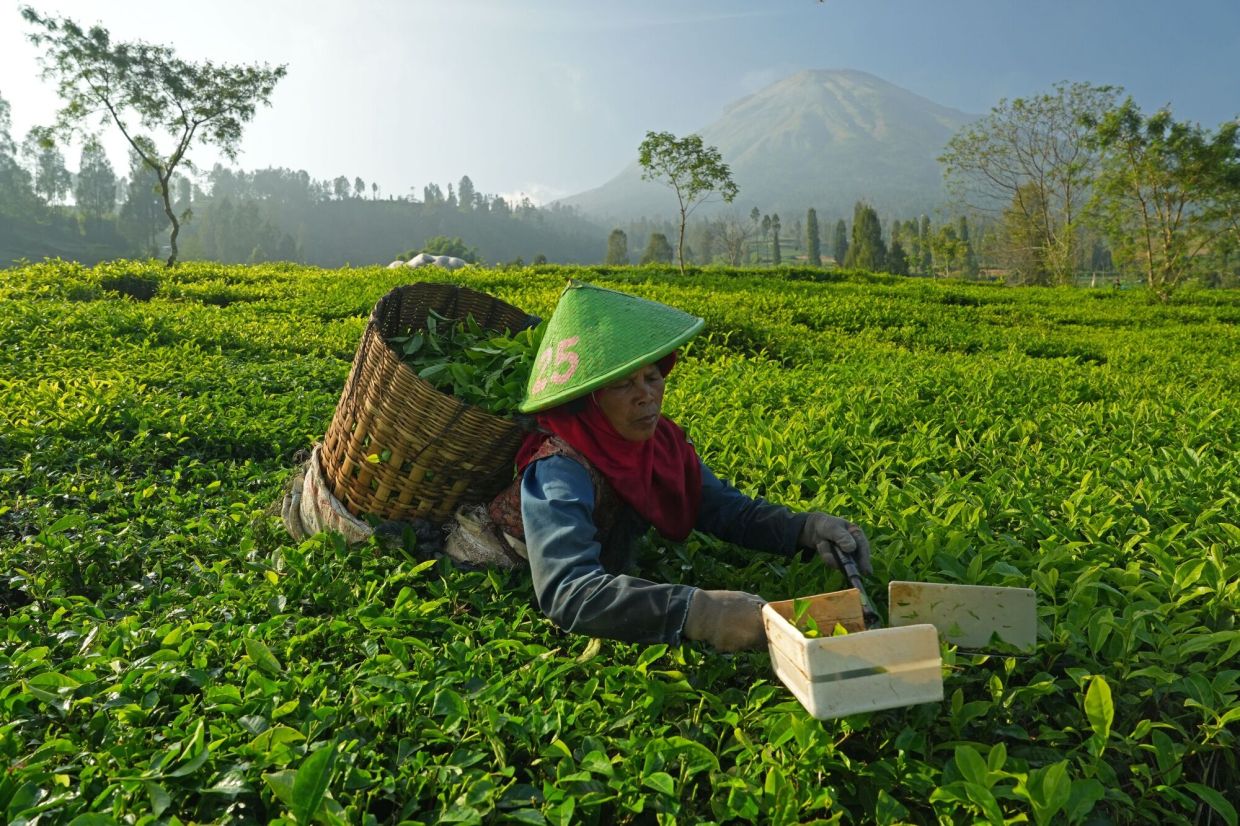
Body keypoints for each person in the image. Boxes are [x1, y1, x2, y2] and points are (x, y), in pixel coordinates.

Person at [478, 280, 872, 653]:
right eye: (622, 385)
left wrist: (806, 529)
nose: (646, 396)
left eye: (652, 377)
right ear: (588, 399)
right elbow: (569, 591)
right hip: (497, 584)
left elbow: (724, 508)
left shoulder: (658, 443)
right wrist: (697, 612)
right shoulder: (558, 470)